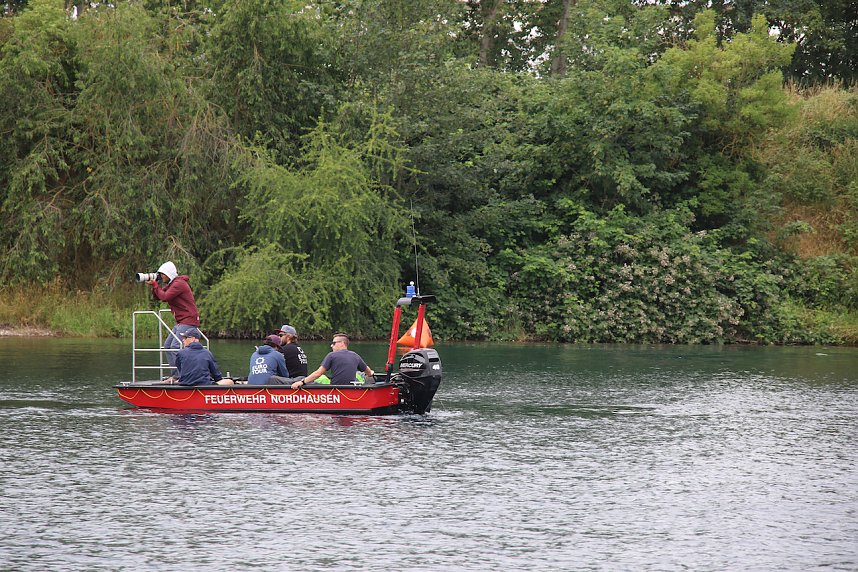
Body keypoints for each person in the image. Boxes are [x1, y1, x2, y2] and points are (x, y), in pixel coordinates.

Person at [146, 261, 200, 382]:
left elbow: (165, 297)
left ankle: (183, 375)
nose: (161, 277)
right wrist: (154, 286)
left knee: (175, 346)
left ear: (168, 274)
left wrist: (155, 285)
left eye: (162, 274)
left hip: (188, 320)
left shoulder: (179, 284)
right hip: (181, 321)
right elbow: (159, 296)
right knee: (168, 345)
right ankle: (176, 375)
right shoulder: (172, 284)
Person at [291, 333, 374, 390]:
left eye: (334, 343)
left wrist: (302, 382)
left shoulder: (331, 355)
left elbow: (318, 373)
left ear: (342, 343)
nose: (331, 345)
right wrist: (371, 373)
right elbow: (369, 373)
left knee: (320, 378)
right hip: (351, 389)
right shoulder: (355, 355)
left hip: (336, 390)